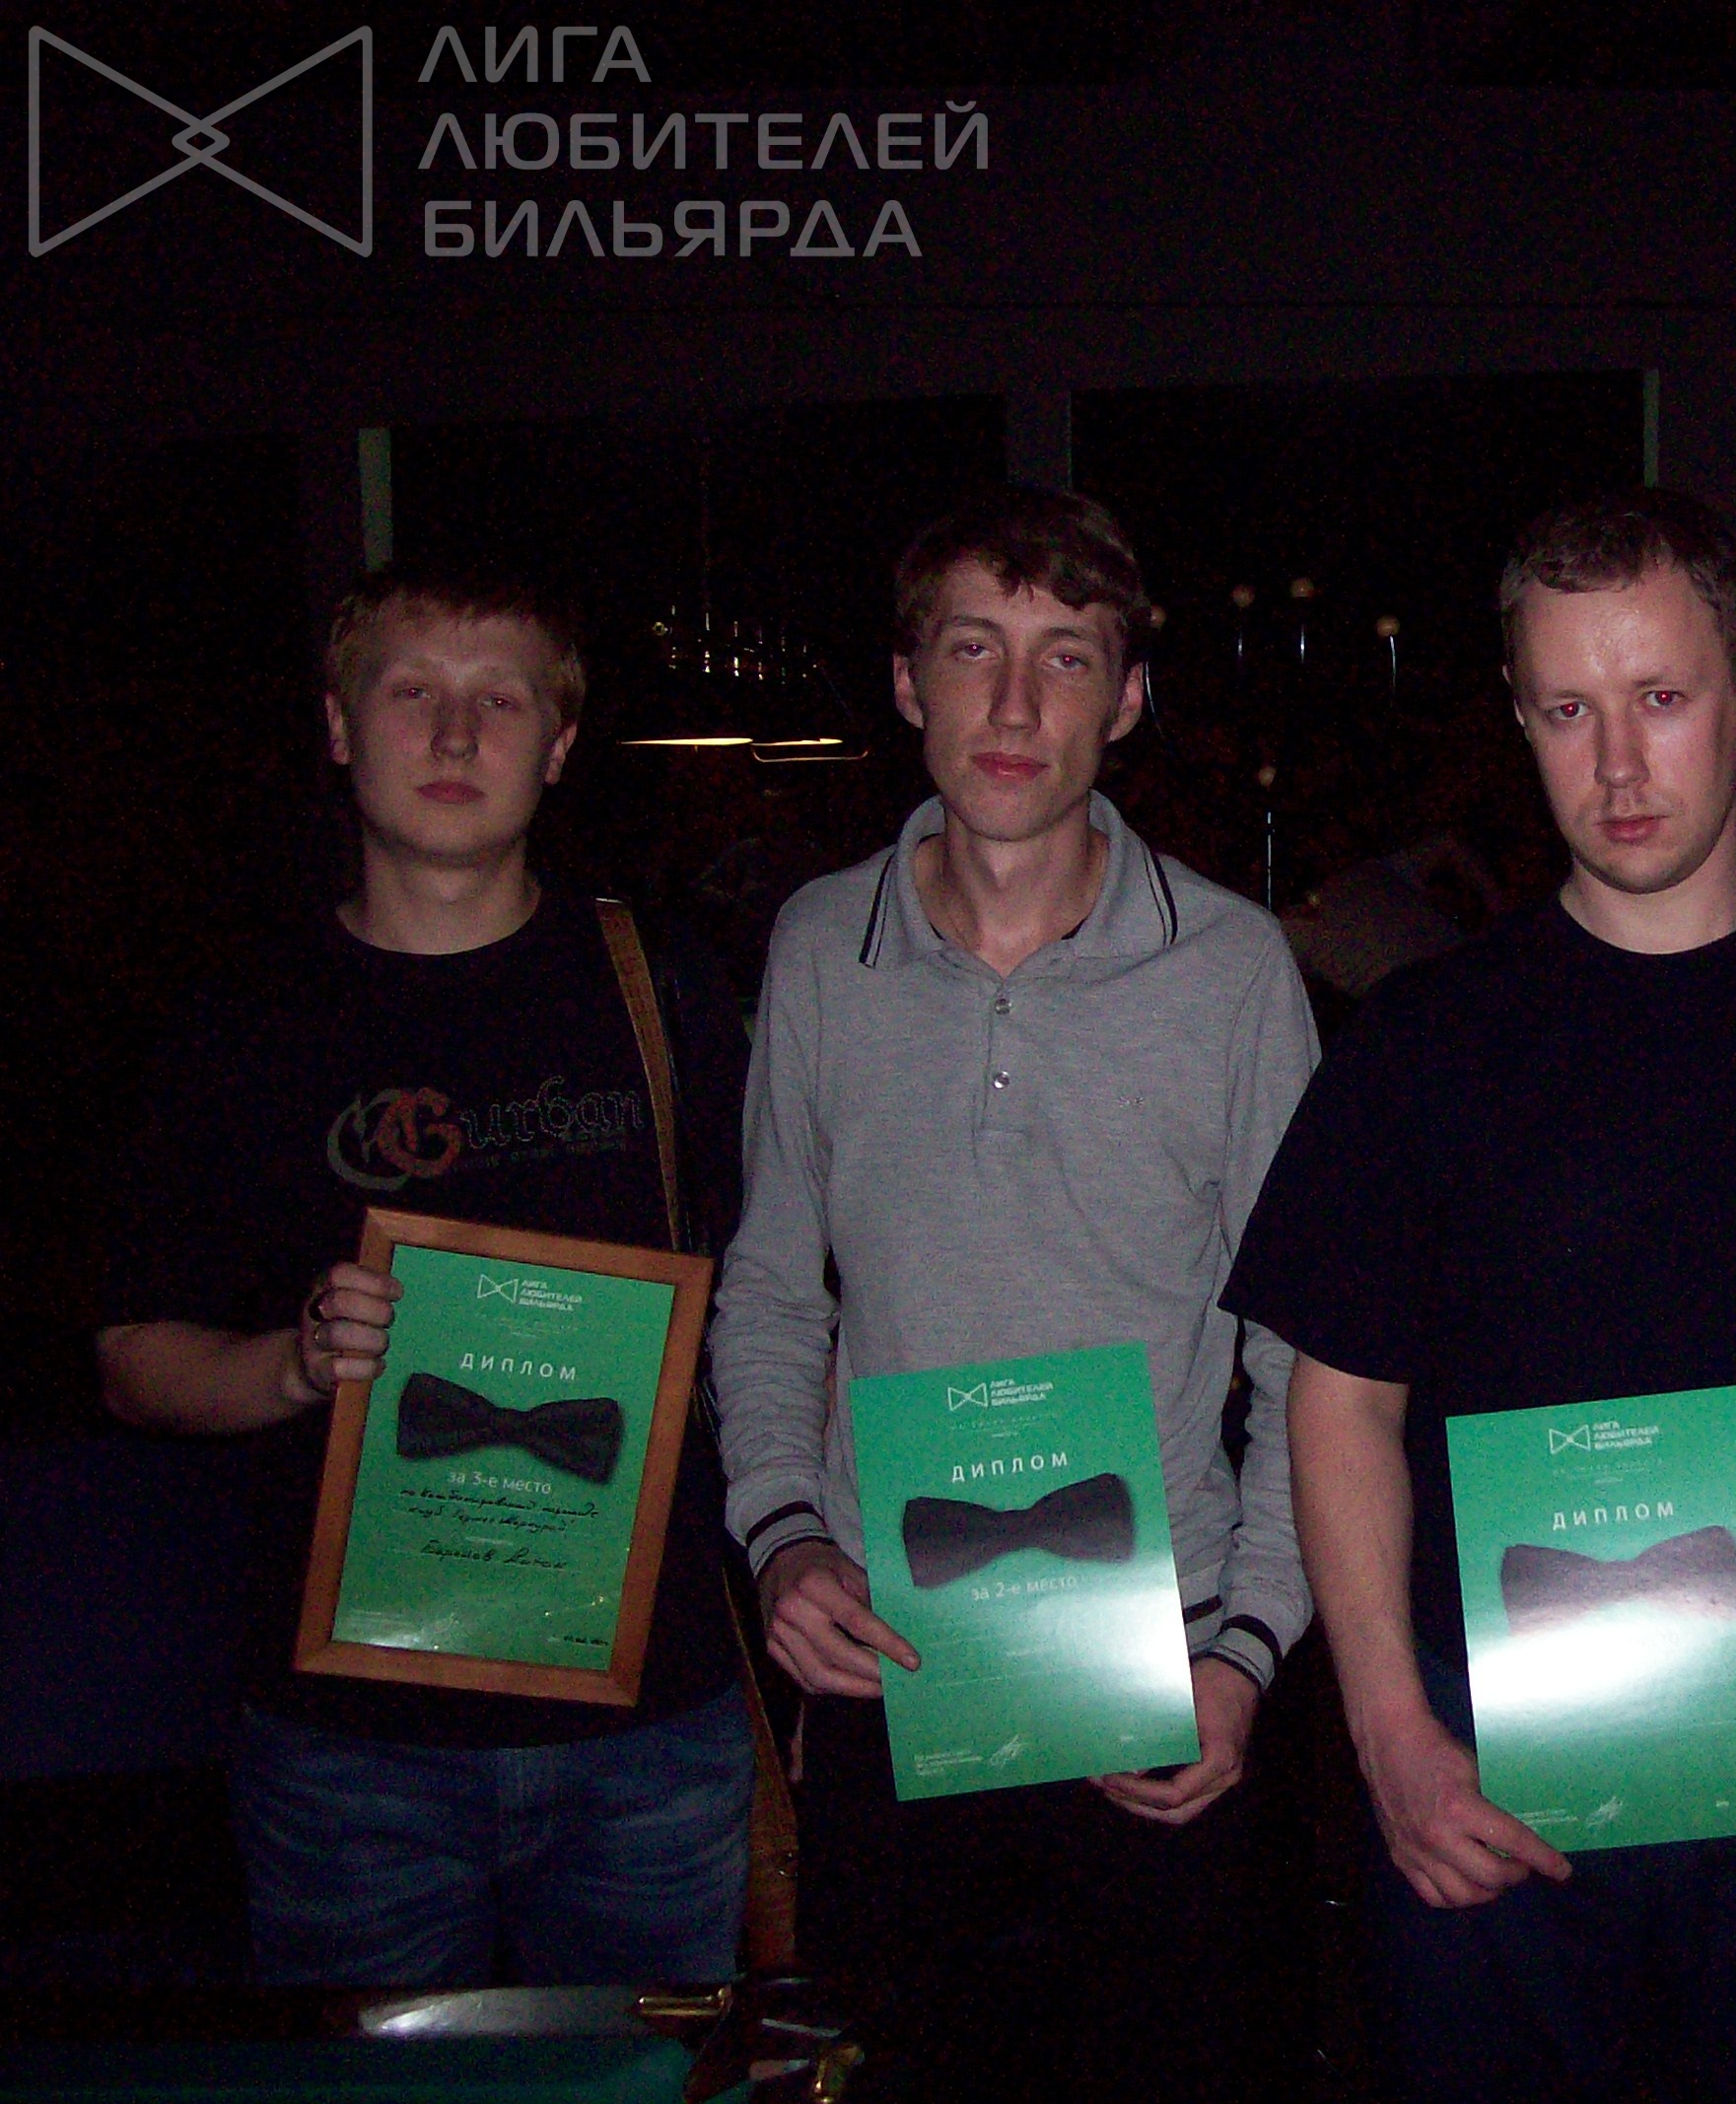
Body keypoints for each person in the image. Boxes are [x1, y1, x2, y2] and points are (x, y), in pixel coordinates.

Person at [1222, 487, 1736, 2100]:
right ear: (1520, 720)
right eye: (1570, 710)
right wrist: (1387, 1731)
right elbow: (1340, 1405)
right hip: (1488, 1755)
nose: (1621, 765)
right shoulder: (1418, 1046)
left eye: (1661, 696)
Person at [708, 485, 1317, 2103]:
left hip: (1166, 1668)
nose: (1016, 702)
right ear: (908, 681)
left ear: (1128, 698)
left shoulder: (1235, 969)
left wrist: (1251, 1653)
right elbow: (771, 1287)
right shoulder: (818, 946)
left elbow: (1306, 1360)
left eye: (1067, 657)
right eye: (974, 648)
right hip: (890, 1665)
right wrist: (782, 1536)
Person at [96, 562, 757, 1987]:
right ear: (340, 726)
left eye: (499, 700)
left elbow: (776, 1303)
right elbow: (135, 1362)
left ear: (558, 744)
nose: (456, 736)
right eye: (413, 694)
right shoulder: (237, 1022)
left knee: (643, 2085)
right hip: (351, 1753)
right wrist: (290, 1365)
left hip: (651, 1725)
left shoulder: (664, 986)